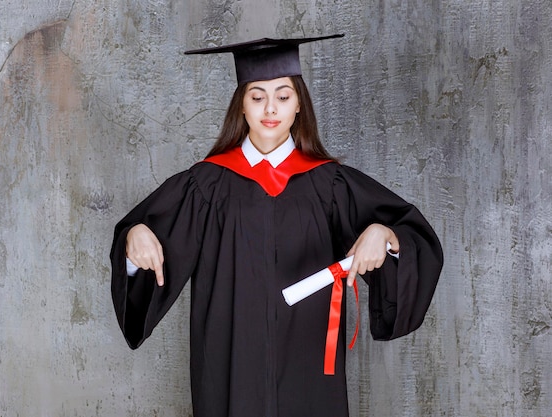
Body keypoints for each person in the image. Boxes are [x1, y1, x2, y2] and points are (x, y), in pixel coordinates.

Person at [110, 34, 443, 417]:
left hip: (309, 358)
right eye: (257, 96)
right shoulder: (207, 185)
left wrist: (386, 237)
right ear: (242, 106)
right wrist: (134, 241)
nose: (271, 108)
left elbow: (414, 239)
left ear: (299, 104)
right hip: (229, 359)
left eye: (283, 96)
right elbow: (148, 244)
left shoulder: (328, 185)